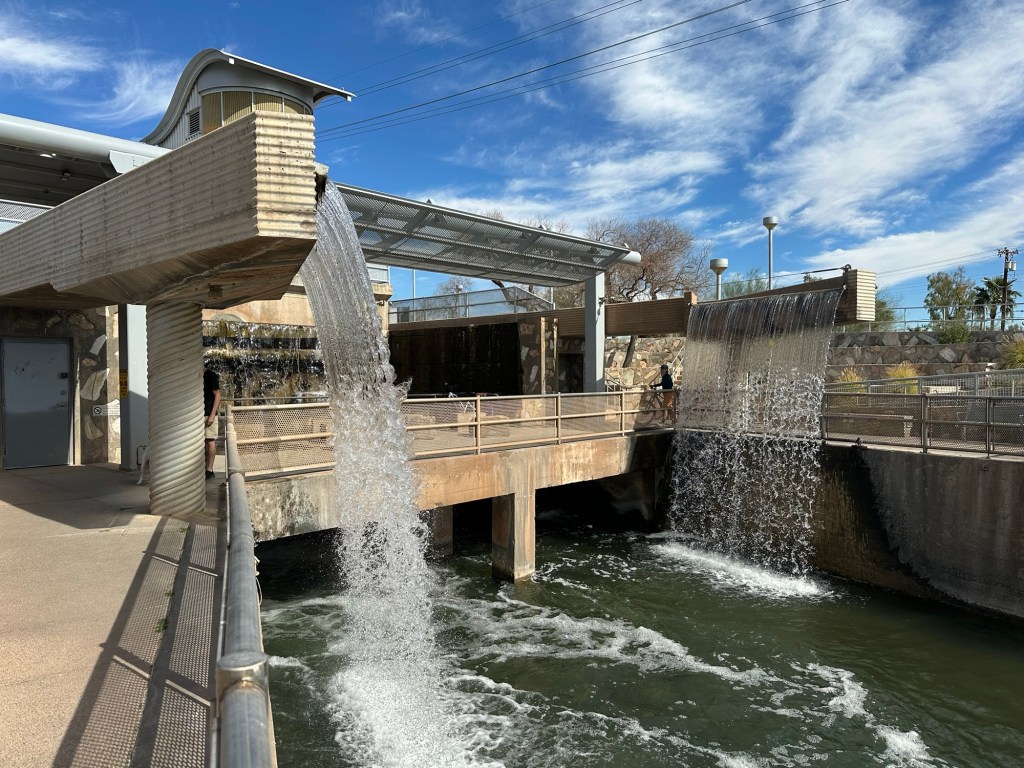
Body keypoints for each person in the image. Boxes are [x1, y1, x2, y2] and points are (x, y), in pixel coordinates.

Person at [204, 364, 221, 479]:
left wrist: (212, 415)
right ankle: (204, 468)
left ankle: (209, 470)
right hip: (198, 414)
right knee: (203, 442)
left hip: (208, 413)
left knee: (210, 440)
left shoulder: (211, 375)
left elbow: (218, 395)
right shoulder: (197, 376)